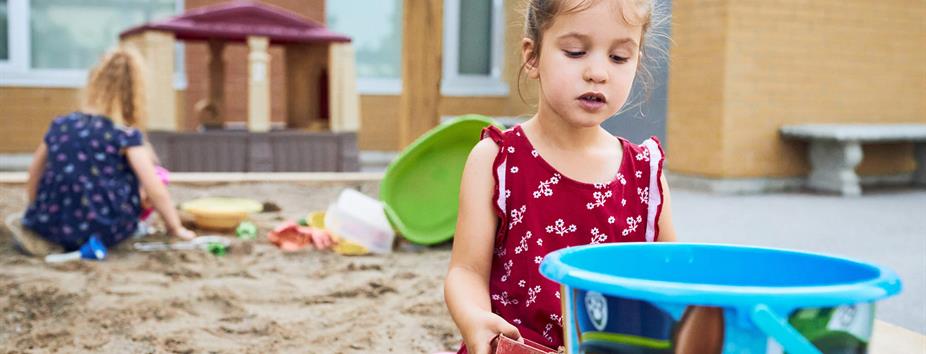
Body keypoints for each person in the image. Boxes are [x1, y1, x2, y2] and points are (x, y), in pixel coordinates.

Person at [443, 0, 681, 352]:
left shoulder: (645, 173)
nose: (598, 72)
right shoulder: (498, 161)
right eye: (575, 51)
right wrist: (474, 318)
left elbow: (670, 275)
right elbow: (466, 271)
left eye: (618, 58)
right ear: (533, 56)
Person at [9, 47, 195, 256]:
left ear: (94, 83)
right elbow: (155, 187)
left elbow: (35, 172)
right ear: (134, 93)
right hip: (106, 229)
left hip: (50, 226)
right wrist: (175, 228)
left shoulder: (61, 125)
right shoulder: (124, 134)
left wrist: (39, 211)